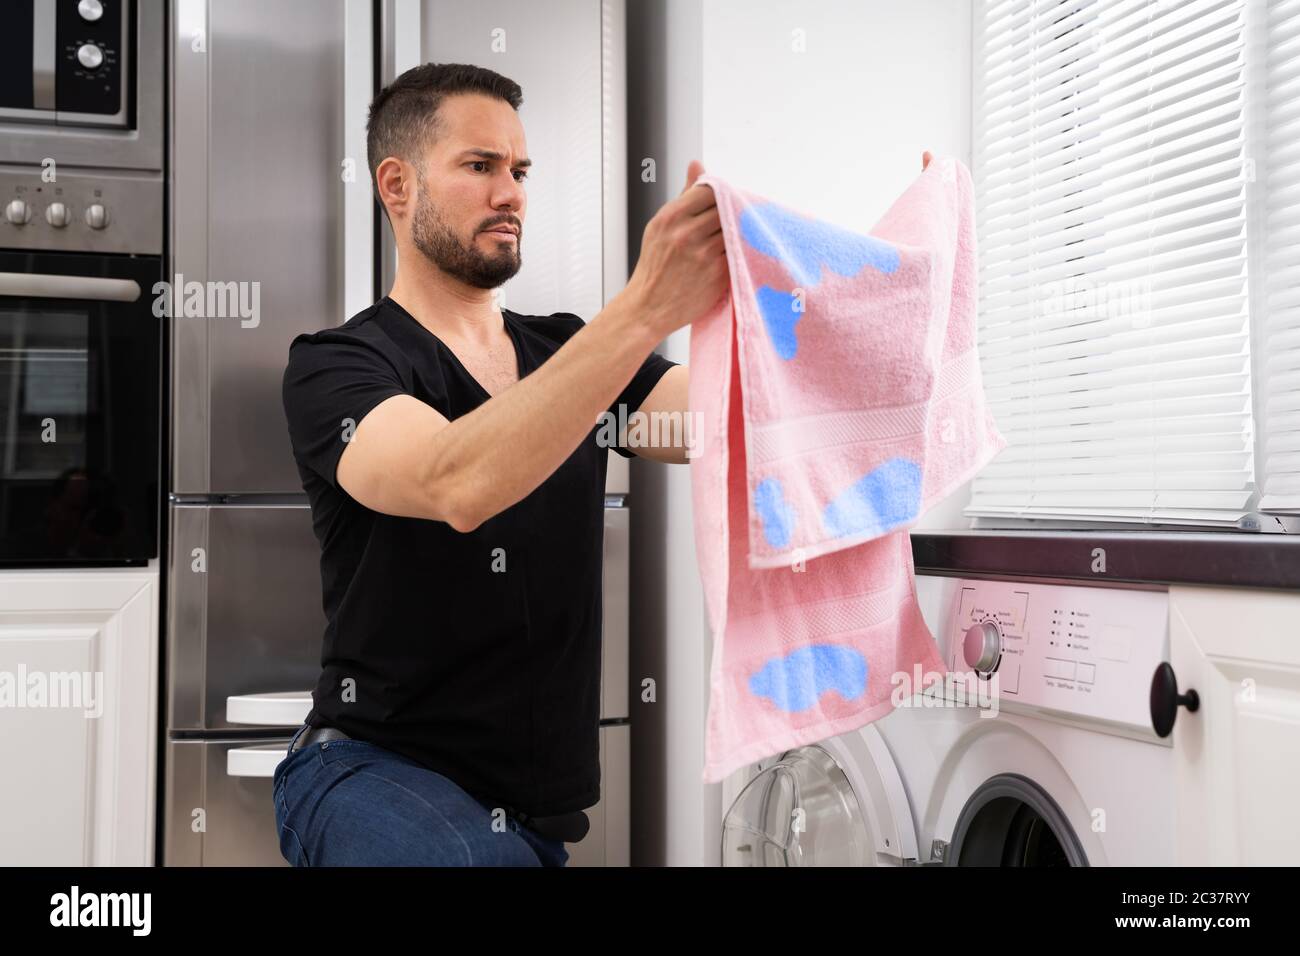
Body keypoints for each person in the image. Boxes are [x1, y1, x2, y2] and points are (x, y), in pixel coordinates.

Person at [272, 61, 725, 866]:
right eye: (479, 166)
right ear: (397, 185)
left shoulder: (565, 350)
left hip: (533, 823)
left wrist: (863, 295)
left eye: (519, 170)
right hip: (368, 772)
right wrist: (645, 308)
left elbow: (725, 421)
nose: (510, 192)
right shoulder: (337, 366)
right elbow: (456, 481)